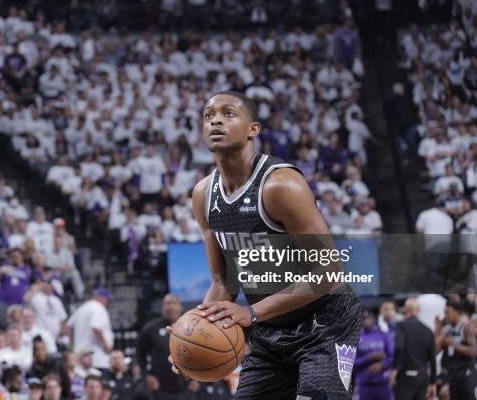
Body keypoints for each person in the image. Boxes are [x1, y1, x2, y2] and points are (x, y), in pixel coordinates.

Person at [168, 91, 362, 400]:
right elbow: (223, 282)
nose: (216, 119)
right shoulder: (203, 195)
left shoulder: (280, 185)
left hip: (325, 322)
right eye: (209, 116)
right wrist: (191, 333)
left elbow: (329, 272)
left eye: (228, 113)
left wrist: (252, 313)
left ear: (253, 129)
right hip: (268, 328)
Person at [138, 294, 192, 399]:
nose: (171, 306)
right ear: (162, 308)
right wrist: (146, 376)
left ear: (180, 307)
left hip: (187, 389)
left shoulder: (191, 327)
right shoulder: (150, 328)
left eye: (174, 303)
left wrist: (198, 380)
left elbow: (201, 355)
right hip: (160, 389)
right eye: (167, 303)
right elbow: (140, 354)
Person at [390, 298, 437, 400]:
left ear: (405, 309)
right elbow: (433, 357)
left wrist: (395, 369)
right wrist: (433, 382)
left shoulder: (401, 325)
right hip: (423, 376)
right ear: (419, 310)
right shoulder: (428, 330)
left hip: (406, 374)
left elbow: (399, 347)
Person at [436, 300, 476, 400]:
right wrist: (438, 329)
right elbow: (435, 350)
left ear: (456, 312)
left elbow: (473, 351)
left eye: (447, 312)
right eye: (444, 312)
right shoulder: (446, 329)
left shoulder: (466, 328)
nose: (445, 315)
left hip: (465, 372)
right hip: (451, 373)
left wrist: (454, 344)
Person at [66, 288, 113, 371]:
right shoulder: (99, 308)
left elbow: (69, 326)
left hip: (80, 356)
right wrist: (106, 346)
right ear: (103, 298)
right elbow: (96, 327)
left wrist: (72, 346)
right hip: (97, 358)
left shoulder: (82, 308)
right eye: (108, 300)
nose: (108, 303)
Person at [353, 311, 393, 400]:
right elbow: (352, 362)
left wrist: (382, 365)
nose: (367, 321)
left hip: (382, 382)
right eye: (364, 319)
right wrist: (369, 357)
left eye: (369, 318)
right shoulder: (357, 337)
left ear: (374, 319)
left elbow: (392, 357)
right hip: (364, 383)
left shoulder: (383, 335)